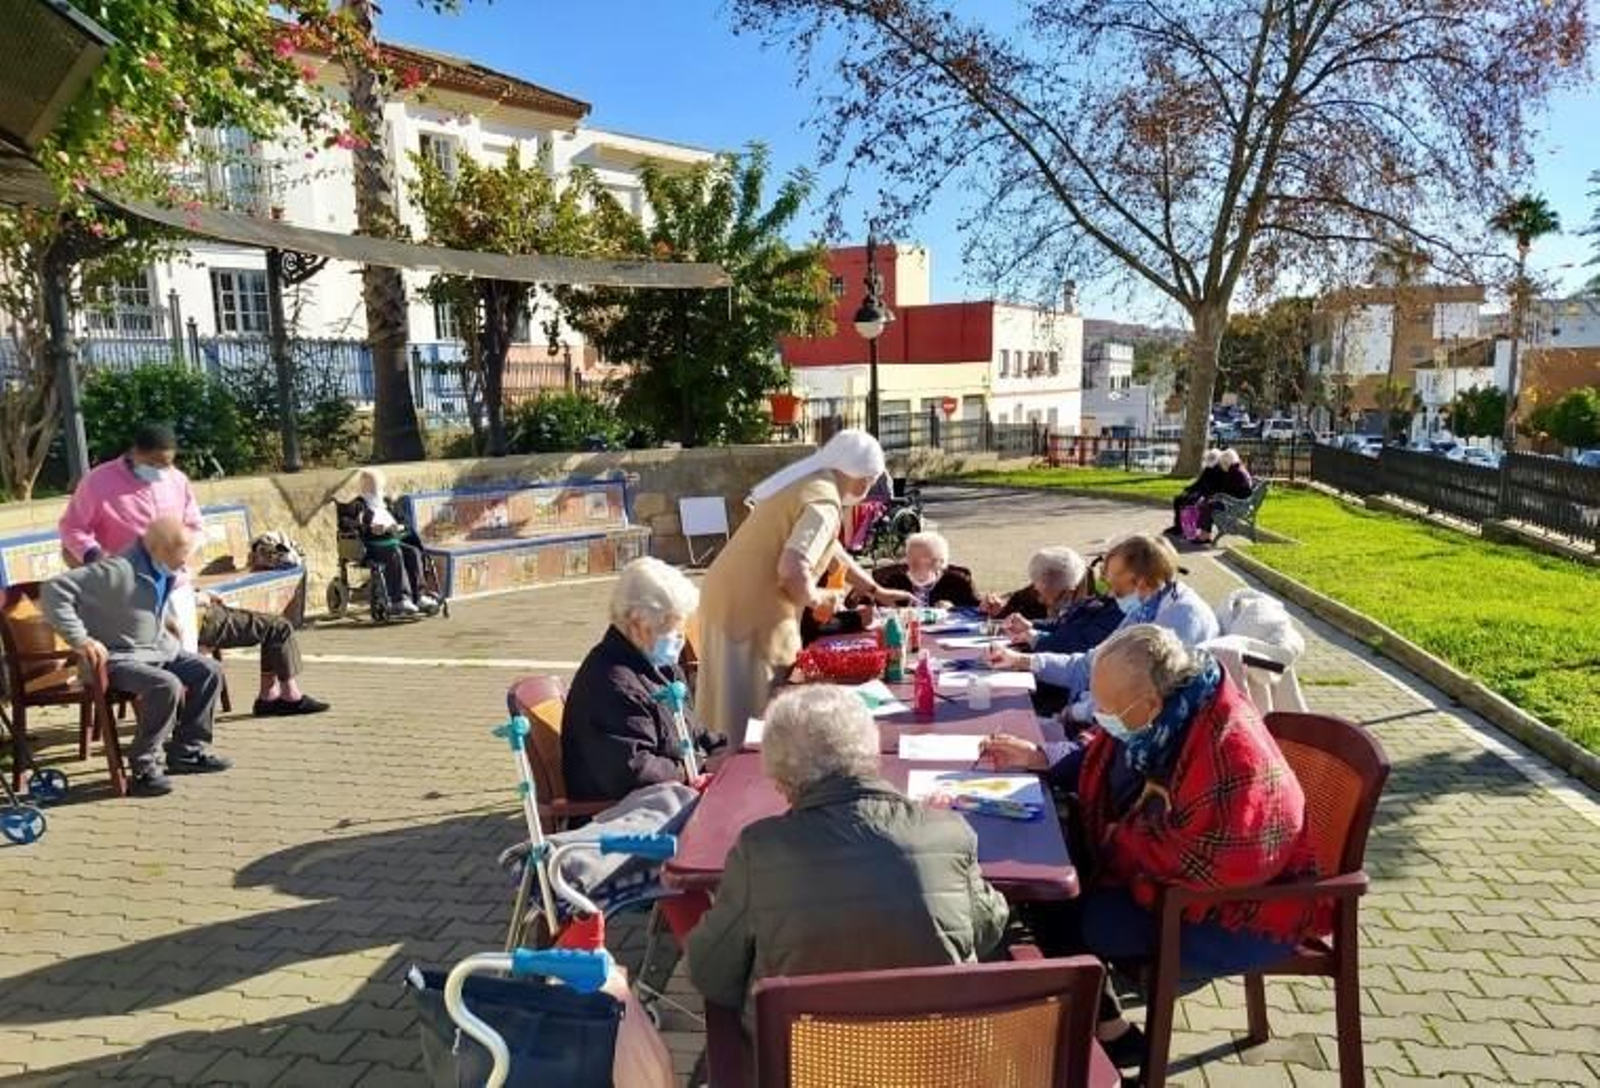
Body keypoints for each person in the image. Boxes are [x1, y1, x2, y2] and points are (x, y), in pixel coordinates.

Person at [1018, 625, 1325, 1069]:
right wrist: (1040, 759)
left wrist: (1109, 842)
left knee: (1067, 907)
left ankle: (1101, 1038)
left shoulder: (1229, 753)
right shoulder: (1173, 711)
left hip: (1241, 912)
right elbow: (1105, 748)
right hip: (1181, 882)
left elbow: (1223, 864)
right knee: (1054, 875)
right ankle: (1099, 1027)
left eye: (1106, 708)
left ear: (1150, 704)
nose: (1099, 716)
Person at [686, 684, 1008, 1030]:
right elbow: (989, 928)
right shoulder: (947, 832)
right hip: (935, 1062)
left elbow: (711, 972)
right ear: (871, 752)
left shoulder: (759, 850)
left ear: (780, 779)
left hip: (804, 1067)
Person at [57, 421, 329, 717]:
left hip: (175, 586)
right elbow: (72, 528)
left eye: (168, 462)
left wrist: (187, 544)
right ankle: (165, 733)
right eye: (156, 462)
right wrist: (94, 554)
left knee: (186, 662)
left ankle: (189, 736)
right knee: (157, 670)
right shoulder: (98, 482)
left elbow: (195, 524)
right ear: (136, 453)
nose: (162, 470)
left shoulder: (175, 480)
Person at [695, 430, 911, 746]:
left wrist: (876, 590)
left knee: (724, 699)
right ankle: (740, 780)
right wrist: (818, 598)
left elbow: (831, 552)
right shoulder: (825, 501)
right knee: (750, 712)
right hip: (753, 613)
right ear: (861, 476)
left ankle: (721, 767)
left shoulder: (811, 484)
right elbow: (792, 568)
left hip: (727, 600)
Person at [982, 534, 1219, 777]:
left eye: (1114, 587)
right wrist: (1022, 660)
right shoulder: (1148, 605)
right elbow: (1093, 662)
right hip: (1104, 724)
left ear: (1137, 581)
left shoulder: (1180, 618)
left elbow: (1134, 701)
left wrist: (1074, 715)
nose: (1110, 595)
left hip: (1138, 742)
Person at [41, 518, 231, 797]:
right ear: (157, 549)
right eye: (180, 559)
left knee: (209, 671)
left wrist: (164, 619)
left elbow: (141, 598)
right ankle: (144, 767)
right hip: (117, 658)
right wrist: (81, 640)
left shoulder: (157, 564)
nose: (183, 566)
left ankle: (187, 751)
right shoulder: (115, 570)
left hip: (156, 649)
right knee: (166, 685)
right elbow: (54, 590)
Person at [562, 557, 725, 802]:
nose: (680, 641)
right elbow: (636, 773)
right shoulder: (612, 685)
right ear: (638, 624)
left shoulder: (658, 665)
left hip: (669, 797)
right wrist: (700, 767)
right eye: (673, 631)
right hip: (630, 816)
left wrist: (726, 749)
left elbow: (694, 731)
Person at [352, 468, 436, 615]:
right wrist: (369, 528)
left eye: (377, 486)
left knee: (413, 552)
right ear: (363, 486)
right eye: (372, 485)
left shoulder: (387, 504)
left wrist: (400, 527)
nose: (376, 489)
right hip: (372, 546)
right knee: (394, 552)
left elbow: (404, 521)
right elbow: (350, 525)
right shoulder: (358, 505)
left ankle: (419, 596)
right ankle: (400, 599)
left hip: (392, 540)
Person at [869, 530, 980, 608]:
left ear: (938, 562)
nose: (913, 561)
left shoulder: (958, 581)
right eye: (910, 555)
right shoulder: (887, 580)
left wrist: (953, 609)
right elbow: (862, 605)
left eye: (922, 557)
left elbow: (978, 609)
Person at [981, 545, 1087, 621]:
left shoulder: (1092, 606)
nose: (1040, 600)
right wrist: (996, 608)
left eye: (1048, 596)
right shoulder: (1034, 592)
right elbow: (1004, 614)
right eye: (1038, 590)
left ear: (1069, 592)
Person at [1168, 448, 1224, 536]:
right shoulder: (1208, 469)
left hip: (1208, 495)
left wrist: (1200, 493)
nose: (1210, 460)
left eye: (1213, 458)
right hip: (1200, 492)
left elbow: (1215, 488)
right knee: (1178, 499)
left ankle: (1188, 529)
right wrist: (1187, 489)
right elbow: (1198, 483)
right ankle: (1178, 526)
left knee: (1189, 502)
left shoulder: (1220, 471)